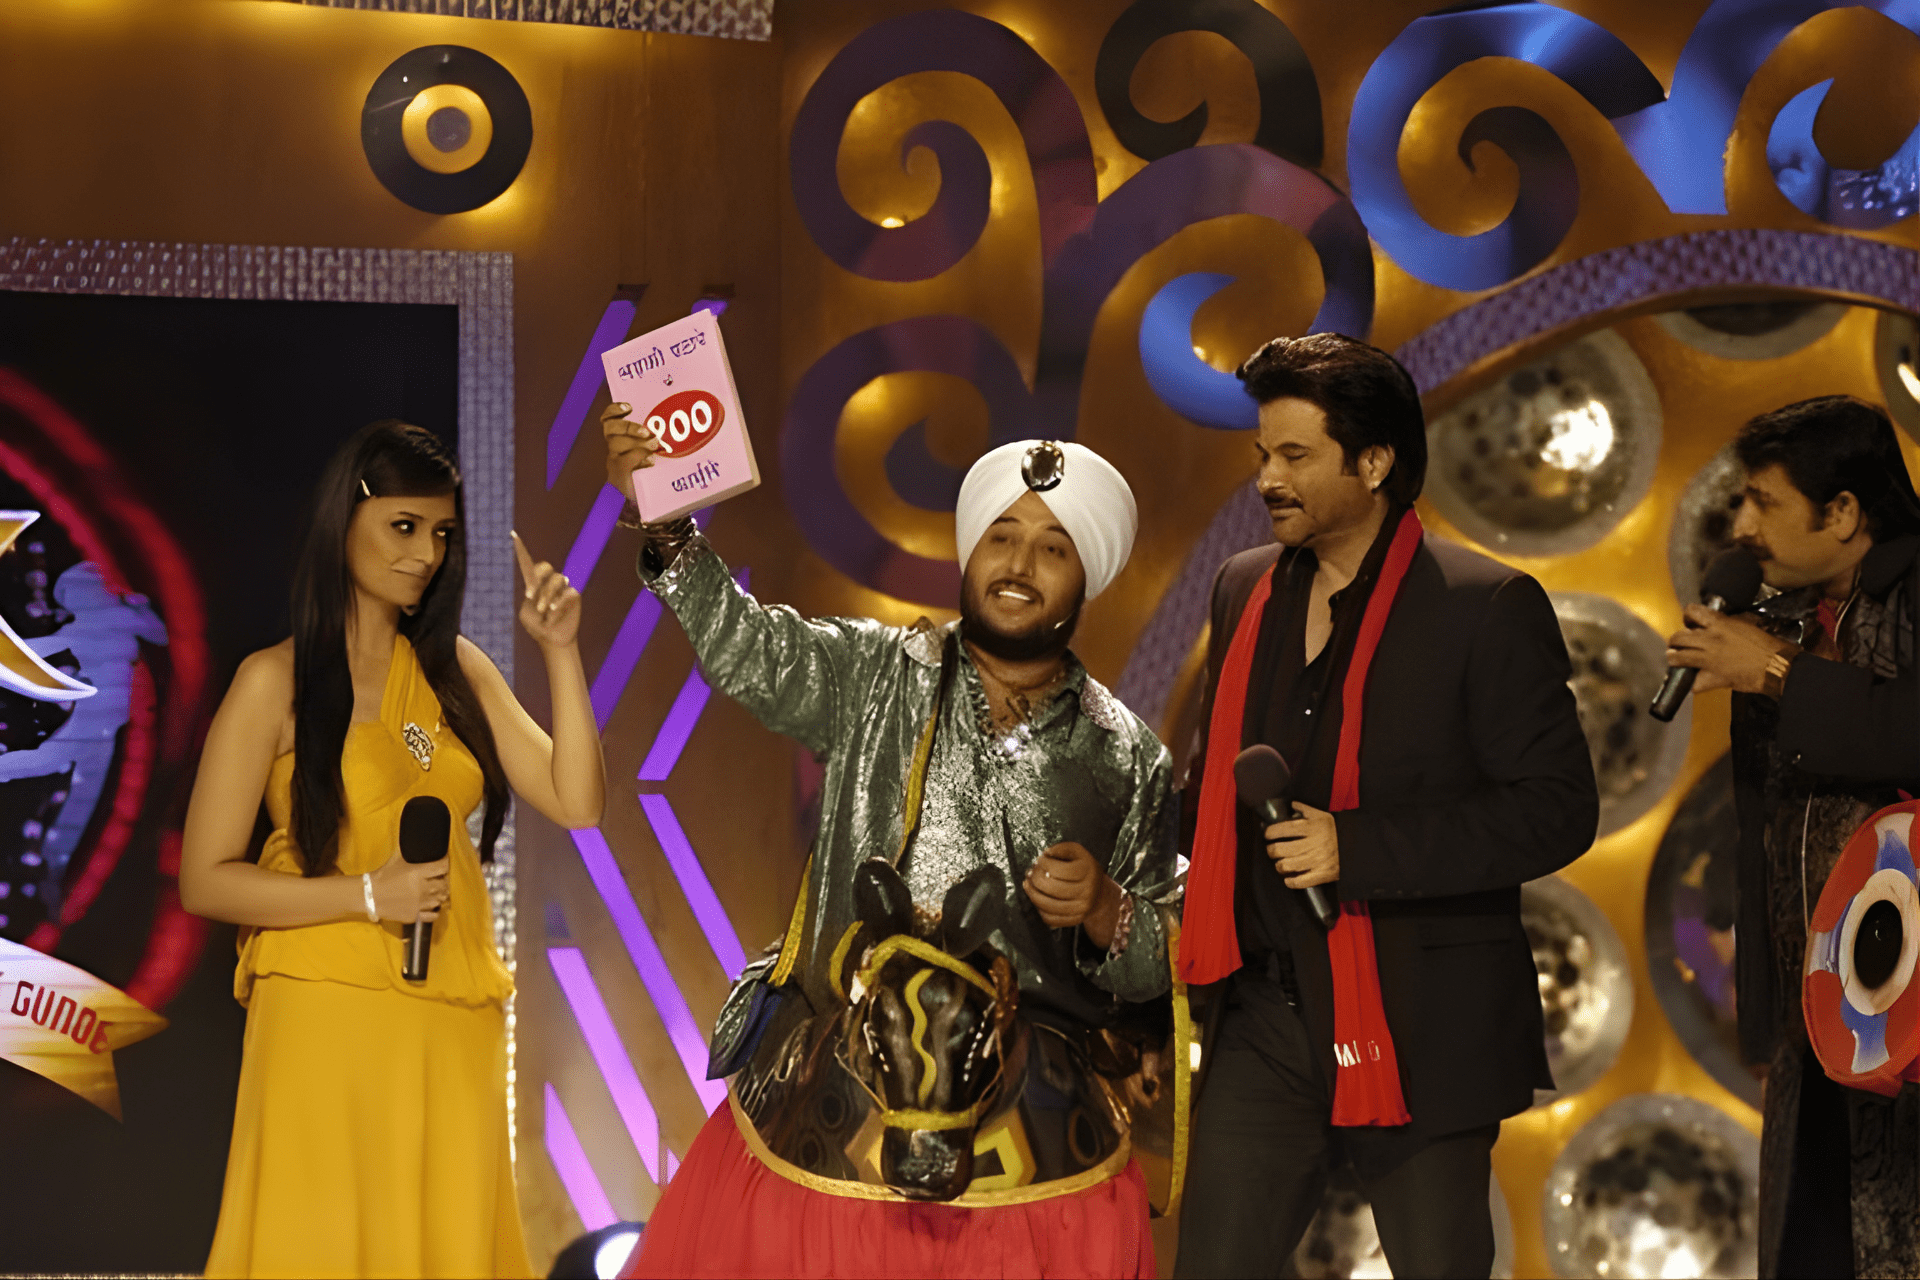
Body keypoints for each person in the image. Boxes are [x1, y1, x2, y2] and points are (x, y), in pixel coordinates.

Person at [599, 404, 1177, 1278]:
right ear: (970, 553)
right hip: (838, 1108)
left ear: (1085, 574)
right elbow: (752, 648)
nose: (1019, 565)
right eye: (1001, 538)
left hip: (1031, 1147)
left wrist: (1106, 910)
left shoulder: (1127, 756)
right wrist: (670, 533)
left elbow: (1167, 958)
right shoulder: (876, 673)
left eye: (1053, 548)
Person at [1174, 334, 1598, 1278]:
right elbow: (1209, 788)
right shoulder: (1242, 588)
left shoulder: (1484, 606)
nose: (1267, 480)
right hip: (1264, 1017)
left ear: (1373, 464)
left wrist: (1356, 848)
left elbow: (1558, 809)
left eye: (1295, 456)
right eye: (1262, 455)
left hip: (1421, 1023)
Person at [180, 420, 606, 1279]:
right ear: (344, 522)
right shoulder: (273, 681)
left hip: (452, 1006)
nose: (424, 554)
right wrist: (368, 896)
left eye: (440, 533)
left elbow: (578, 801)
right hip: (326, 1005)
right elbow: (204, 880)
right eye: (403, 527)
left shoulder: (456, 672)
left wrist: (560, 652)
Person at [1662, 395, 1920, 1279]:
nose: (1742, 526)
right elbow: (1762, 835)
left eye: (1764, 502)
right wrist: (1766, 1024)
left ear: (1842, 511)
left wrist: (1779, 675)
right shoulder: (1784, 621)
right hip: (1814, 1029)